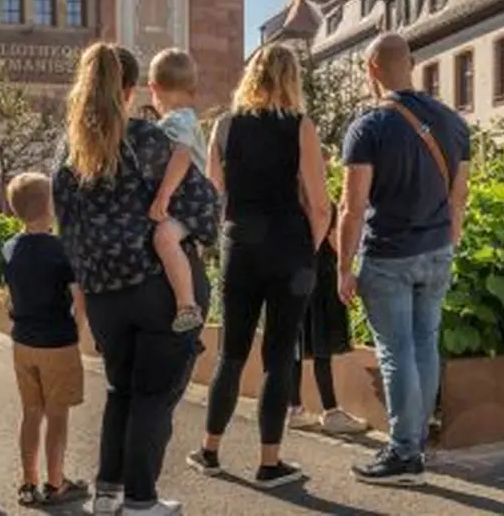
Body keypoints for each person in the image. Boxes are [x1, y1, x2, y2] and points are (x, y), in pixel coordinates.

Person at [52, 42, 219, 516]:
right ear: (129, 90)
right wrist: (178, 228)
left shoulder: (68, 154)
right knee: (152, 398)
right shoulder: (148, 140)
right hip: (159, 291)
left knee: (119, 391)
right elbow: (204, 203)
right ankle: (142, 501)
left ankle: (108, 495)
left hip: (105, 297)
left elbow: (68, 232)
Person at [186, 44, 330, 489]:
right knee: (279, 354)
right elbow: (320, 203)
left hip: (240, 244)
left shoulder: (225, 127)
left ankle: (209, 450)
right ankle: (270, 463)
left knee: (231, 352)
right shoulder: (300, 127)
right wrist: (311, 245)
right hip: (289, 247)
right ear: (291, 79)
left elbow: (214, 195)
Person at [337, 32, 470, 486]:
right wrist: (445, 243)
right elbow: (460, 198)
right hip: (436, 253)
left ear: (372, 69)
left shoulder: (367, 127)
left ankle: (403, 453)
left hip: (389, 256)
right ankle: (415, 446)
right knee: (424, 346)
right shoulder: (453, 122)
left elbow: (351, 208)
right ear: (410, 64)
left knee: (396, 352)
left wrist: (342, 267)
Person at [1, 172, 90, 507]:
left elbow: (10, 294)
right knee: (57, 415)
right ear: (50, 206)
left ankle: (28, 481)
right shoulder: (62, 249)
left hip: (22, 342)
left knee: (31, 411)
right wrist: (77, 331)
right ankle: (55, 483)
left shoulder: (10, 248)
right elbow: (78, 298)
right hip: (57, 342)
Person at [287, 201, 368, 436]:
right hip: (320, 278)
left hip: (292, 279)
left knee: (296, 346)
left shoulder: (287, 200)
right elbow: (335, 241)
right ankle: (331, 410)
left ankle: (294, 408)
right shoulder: (322, 203)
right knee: (321, 346)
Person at [147, 48, 209, 333]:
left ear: (154, 88)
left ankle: (187, 304)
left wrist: (163, 196)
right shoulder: (185, 117)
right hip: (189, 202)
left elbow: (181, 155)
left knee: (164, 238)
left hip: (190, 204)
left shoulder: (176, 120)